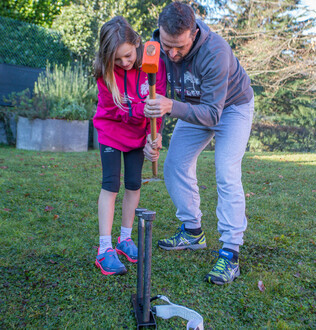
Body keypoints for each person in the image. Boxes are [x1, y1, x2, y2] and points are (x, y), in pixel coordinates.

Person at [143, 2, 254, 285]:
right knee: (174, 165)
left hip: (231, 108)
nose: (172, 53)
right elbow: (159, 97)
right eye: (167, 44)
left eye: (179, 47)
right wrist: (154, 133)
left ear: (193, 33)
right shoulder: (156, 48)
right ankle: (193, 231)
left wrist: (171, 107)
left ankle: (230, 253)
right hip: (193, 106)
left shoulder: (215, 51)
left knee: (226, 171)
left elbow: (212, 114)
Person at [93, 16, 166, 276]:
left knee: (134, 185)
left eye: (127, 56)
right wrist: (142, 110)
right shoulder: (105, 74)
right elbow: (119, 110)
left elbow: (158, 105)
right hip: (111, 132)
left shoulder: (152, 65)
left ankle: (125, 239)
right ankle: (104, 249)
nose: (125, 63)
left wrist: (152, 136)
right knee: (110, 185)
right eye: (118, 59)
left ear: (136, 43)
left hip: (137, 135)